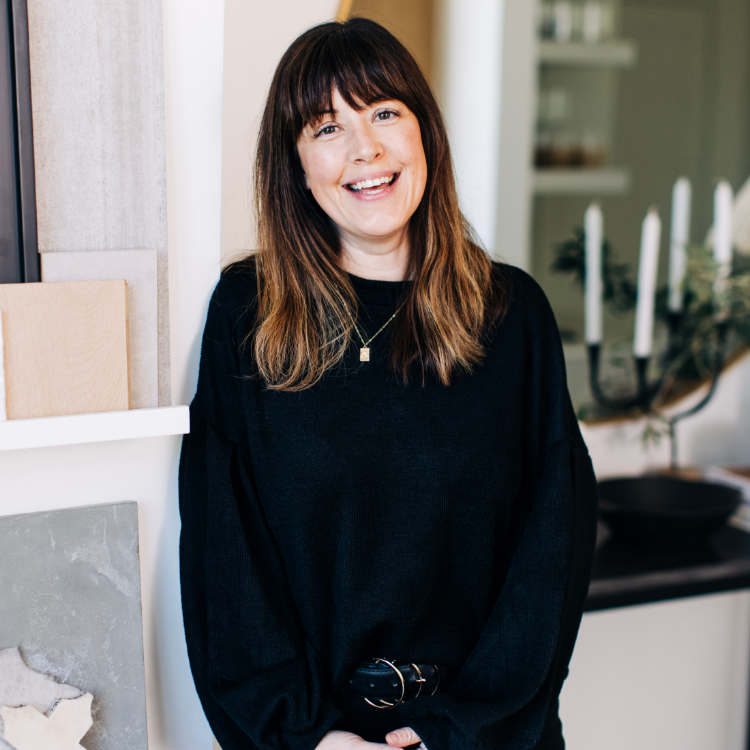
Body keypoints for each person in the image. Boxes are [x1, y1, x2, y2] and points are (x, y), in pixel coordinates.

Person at [179, 17, 598, 750]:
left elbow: (553, 550)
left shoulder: (512, 314)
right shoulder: (248, 312)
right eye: (326, 127)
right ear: (295, 165)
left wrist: (456, 730)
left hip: (484, 738)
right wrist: (309, 736)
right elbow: (225, 549)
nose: (365, 149)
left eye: (383, 112)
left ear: (423, 132)